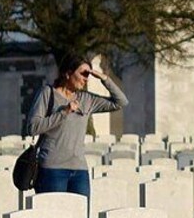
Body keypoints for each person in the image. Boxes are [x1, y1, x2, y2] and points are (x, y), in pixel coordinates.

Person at [27, 52, 129, 196]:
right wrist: (63, 113)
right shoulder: (48, 94)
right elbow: (32, 127)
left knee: (81, 217)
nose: (86, 79)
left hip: (79, 171)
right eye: (83, 74)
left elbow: (121, 102)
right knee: (54, 217)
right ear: (68, 74)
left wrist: (104, 78)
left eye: (88, 74)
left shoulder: (86, 99)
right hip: (52, 169)